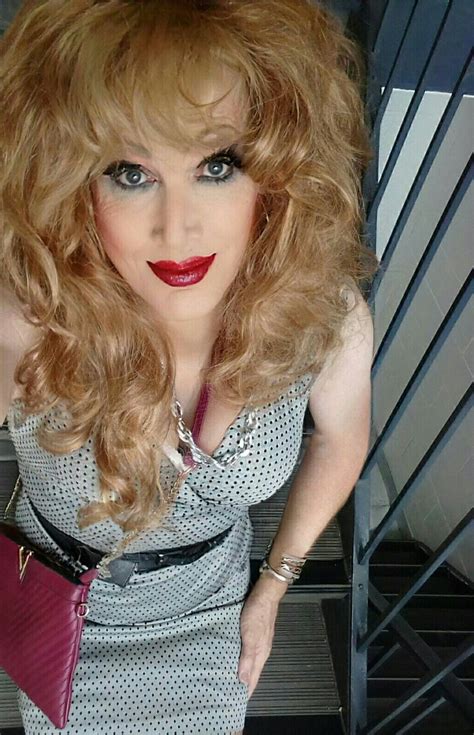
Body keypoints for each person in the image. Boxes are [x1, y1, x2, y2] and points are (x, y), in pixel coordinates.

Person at [0, 0, 379, 733]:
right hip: (61, 611)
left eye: (217, 164)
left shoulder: (323, 313)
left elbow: (341, 440)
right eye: (130, 173)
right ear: (72, 180)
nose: (177, 230)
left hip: (213, 609)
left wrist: (273, 588)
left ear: (280, 168)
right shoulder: (34, 313)